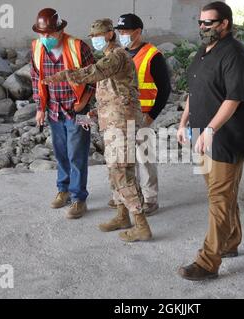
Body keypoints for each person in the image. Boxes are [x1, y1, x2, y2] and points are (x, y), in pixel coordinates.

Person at [43, 19, 153, 242]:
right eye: (92, 36)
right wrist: (93, 114)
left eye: (99, 35)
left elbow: (94, 73)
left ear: (110, 34)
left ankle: (141, 225)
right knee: (115, 172)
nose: (94, 39)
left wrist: (65, 75)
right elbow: (110, 95)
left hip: (121, 124)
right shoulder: (110, 58)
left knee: (122, 172)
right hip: (112, 122)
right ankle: (123, 216)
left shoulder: (117, 56)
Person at [176, 2, 244, 281]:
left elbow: (233, 99)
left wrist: (210, 129)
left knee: (219, 198)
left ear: (224, 23)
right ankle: (230, 241)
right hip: (203, 134)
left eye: (208, 23)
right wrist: (184, 121)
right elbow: (195, 90)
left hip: (227, 137)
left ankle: (208, 262)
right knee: (220, 194)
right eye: (200, 23)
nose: (203, 28)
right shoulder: (203, 52)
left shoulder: (235, 55)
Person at [103, 13, 171, 216]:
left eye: (124, 31)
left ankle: (150, 199)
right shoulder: (118, 54)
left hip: (144, 116)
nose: (121, 34)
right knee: (120, 159)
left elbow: (165, 89)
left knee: (145, 159)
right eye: (119, 31)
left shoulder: (153, 55)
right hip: (120, 116)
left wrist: (151, 116)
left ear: (138, 32)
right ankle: (122, 196)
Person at [31, 8, 95, 219]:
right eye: (42, 34)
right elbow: (36, 79)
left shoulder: (78, 47)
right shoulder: (38, 48)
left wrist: (84, 102)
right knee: (61, 153)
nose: (45, 38)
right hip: (54, 111)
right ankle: (64, 190)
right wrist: (40, 107)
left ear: (60, 30)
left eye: (50, 34)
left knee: (77, 154)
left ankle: (78, 199)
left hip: (79, 110)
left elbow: (95, 78)